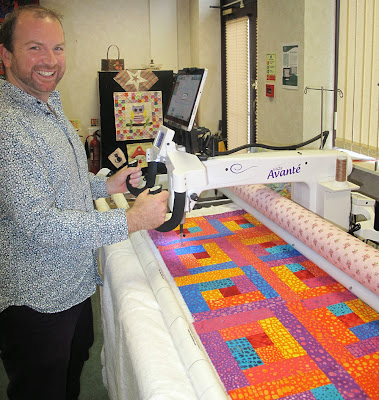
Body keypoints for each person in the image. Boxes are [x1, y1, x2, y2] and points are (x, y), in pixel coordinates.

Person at [0, 5, 169, 400]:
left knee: (71, 378)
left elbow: (63, 182)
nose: (50, 60)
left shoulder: (46, 104)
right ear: (6, 55)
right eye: (35, 47)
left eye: (58, 48)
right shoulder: (8, 126)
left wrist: (108, 184)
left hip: (73, 287)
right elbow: (41, 223)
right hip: (37, 301)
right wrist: (132, 219)